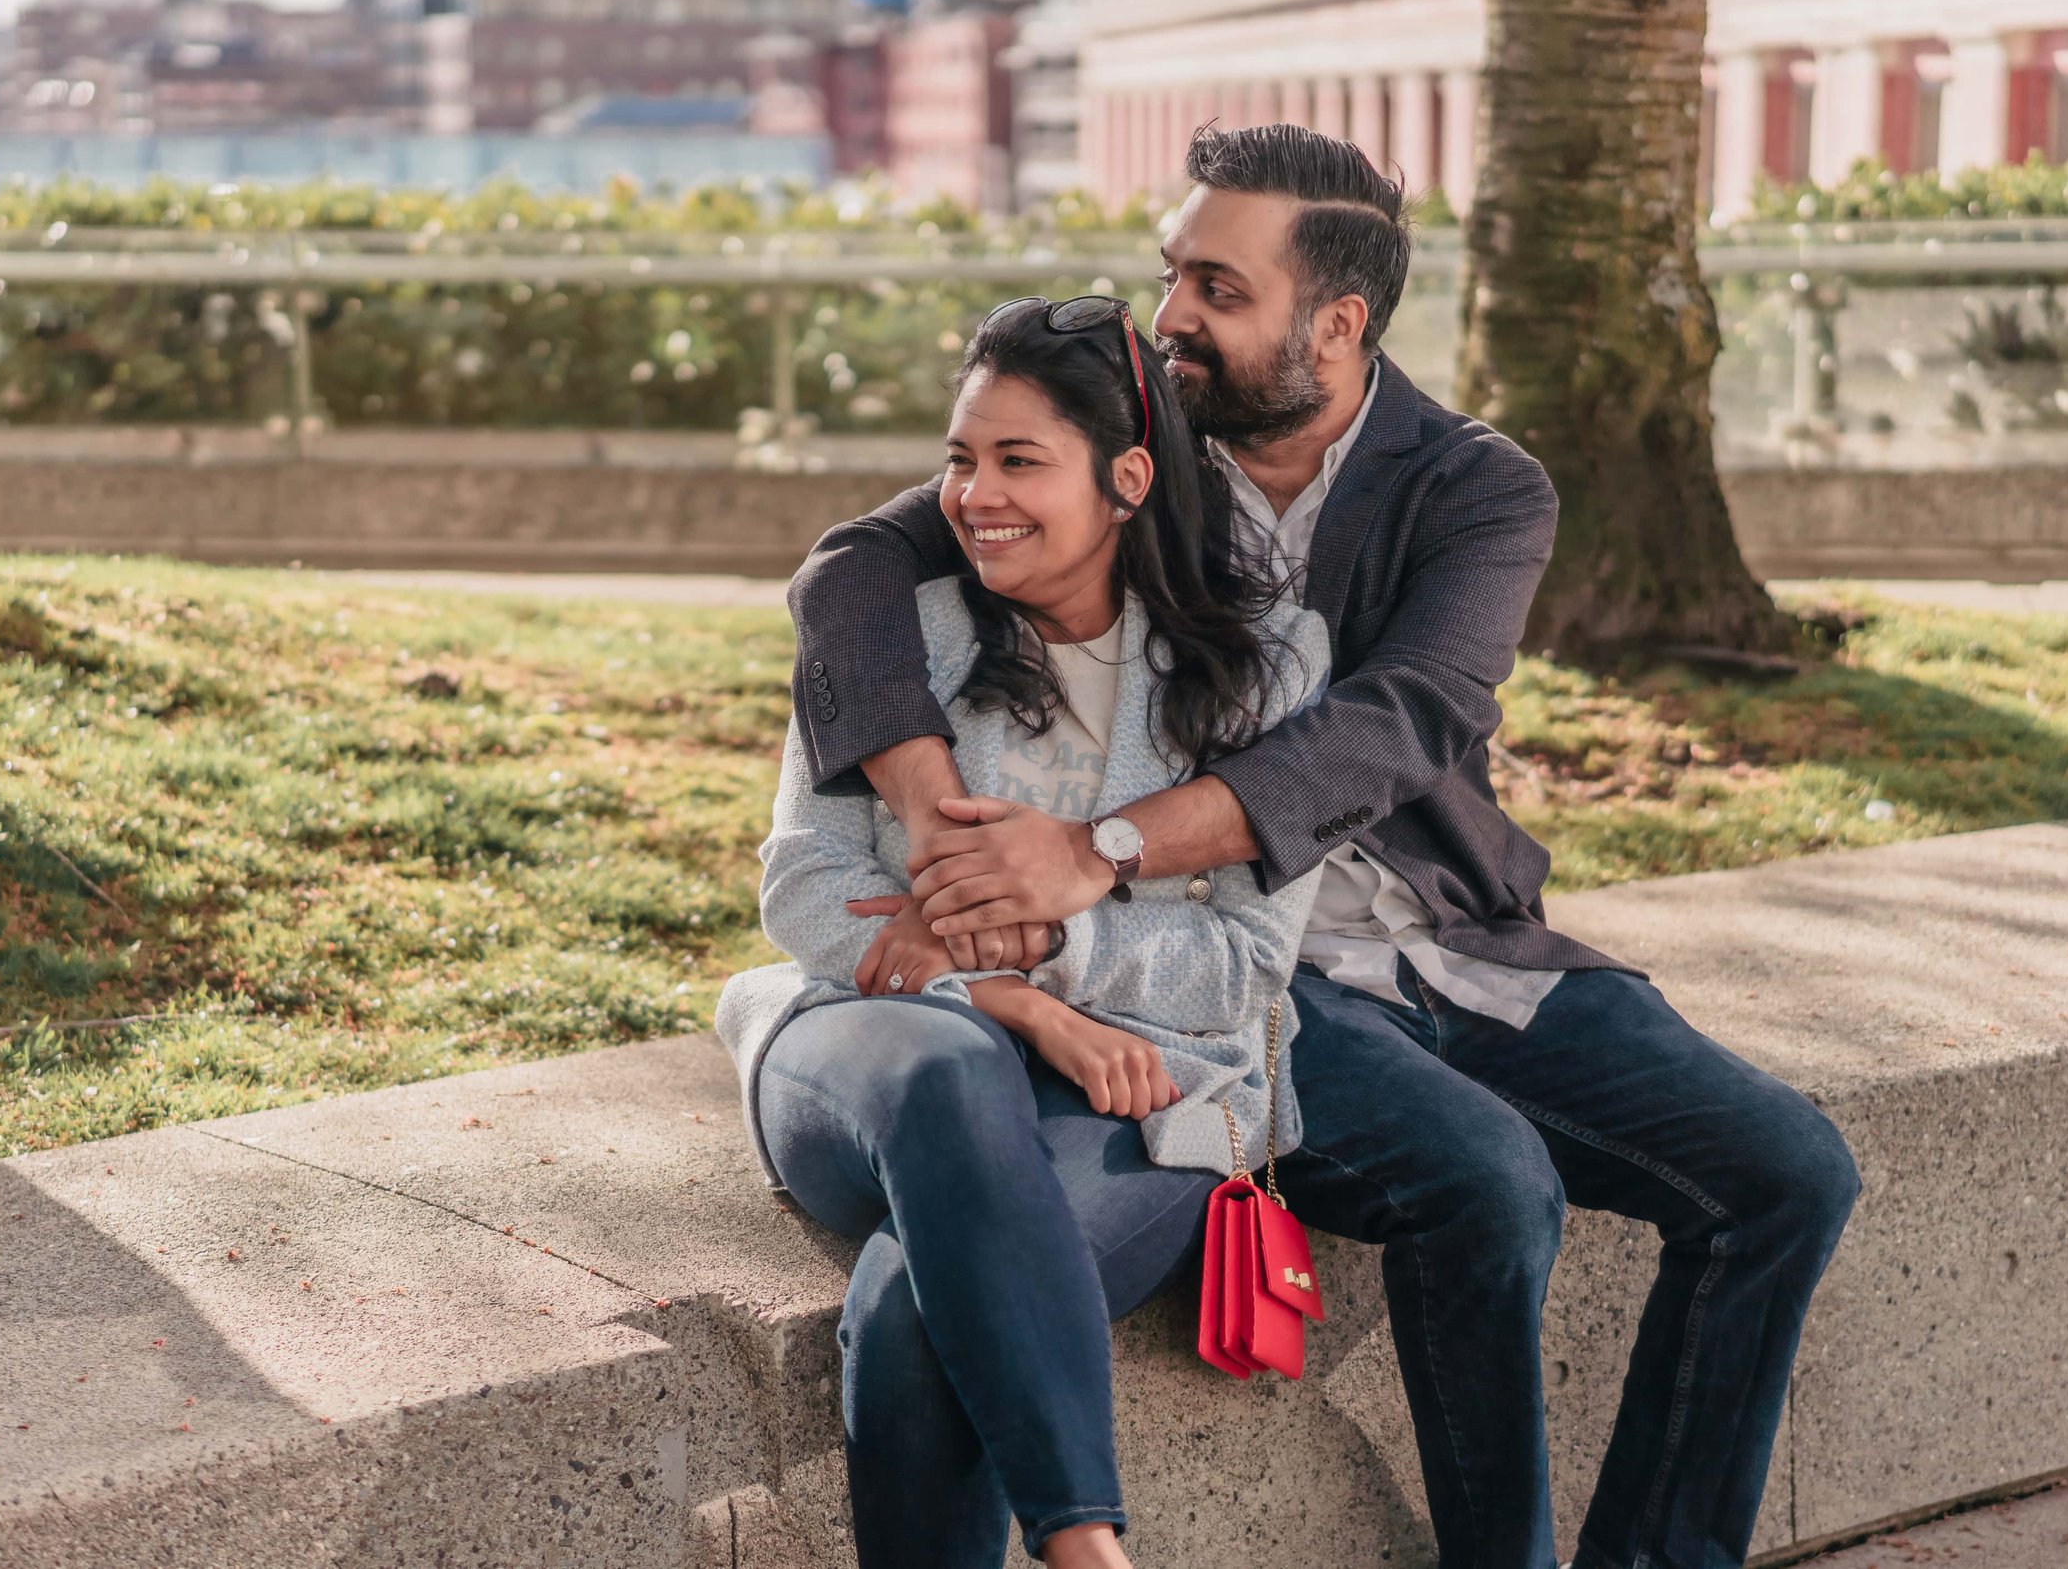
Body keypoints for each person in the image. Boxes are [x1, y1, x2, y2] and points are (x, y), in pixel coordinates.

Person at [780, 125, 1862, 1569]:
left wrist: (1096, 850)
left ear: (1335, 323)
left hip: (1452, 938)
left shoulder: (1477, 487)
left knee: (1789, 1169)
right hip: (1273, 972)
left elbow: (1402, 720)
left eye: (1215, 288)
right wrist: (928, 819)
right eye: (1173, 275)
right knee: (1485, 1176)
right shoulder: (1141, 435)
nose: (1168, 317)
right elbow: (853, 568)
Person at [715, 294, 1331, 1569]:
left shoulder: (1267, 670)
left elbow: (1244, 967)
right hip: (874, 1050)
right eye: (958, 457)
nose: (971, 495)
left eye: (1015, 461)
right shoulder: (899, 640)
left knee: (904, 1306)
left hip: (1144, 1094)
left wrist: (1061, 946)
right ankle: (1086, 1546)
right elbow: (805, 885)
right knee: (945, 1068)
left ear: (1126, 478)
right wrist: (1015, 1002)